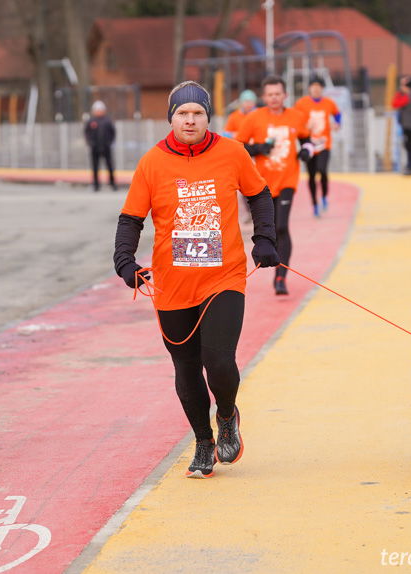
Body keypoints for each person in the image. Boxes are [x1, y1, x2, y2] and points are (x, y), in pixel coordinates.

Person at [113, 81, 280, 479]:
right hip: (172, 283)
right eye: (182, 114)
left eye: (198, 113)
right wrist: (124, 261)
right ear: (171, 118)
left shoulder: (232, 152)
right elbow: (131, 218)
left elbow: (259, 194)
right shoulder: (152, 162)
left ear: (208, 117)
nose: (190, 120)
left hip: (223, 276)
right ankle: (203, 441)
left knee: (218, 361)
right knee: (186, 367)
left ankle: (226, 416)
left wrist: (265, 239)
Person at [236, 75, 312, 296]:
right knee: (268, 229)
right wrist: (258, 148)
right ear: (264, 96)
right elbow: (238, 145)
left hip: (287, 179)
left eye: (278, 94)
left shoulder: (296, 117)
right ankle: (274, 264)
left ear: (285, 95)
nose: (274, 98)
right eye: (270, 94)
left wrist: (306, 150)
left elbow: (307, 140)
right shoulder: (254, 118)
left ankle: (281, 276)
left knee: (281, 227)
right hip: (262, 184)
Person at [294, 78, 341, 216]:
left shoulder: (329, 103)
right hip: (309, 144)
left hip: (324, 143)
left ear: (322, 89)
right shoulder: (301, 103)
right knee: (312, 175)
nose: (316, 89)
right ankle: (314, 203)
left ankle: (324, 196)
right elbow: (294, 119)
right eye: (313, 86)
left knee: (322, 170)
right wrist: (304, 126)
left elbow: (337, 114)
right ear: (309, 88)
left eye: (318, 86)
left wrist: (337, 124)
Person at [84, 100, 116, 191]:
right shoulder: (91, 121)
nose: (99, 112)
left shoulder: (107, 121)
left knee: (110, 165)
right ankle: (96, 185)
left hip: (106, 147)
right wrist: (90, 143)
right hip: (95, 147)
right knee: (95, 167)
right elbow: (87, 133)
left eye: (100, 110)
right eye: (97, 110)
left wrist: (109, 142)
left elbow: (113, 132)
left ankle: (112, 183)